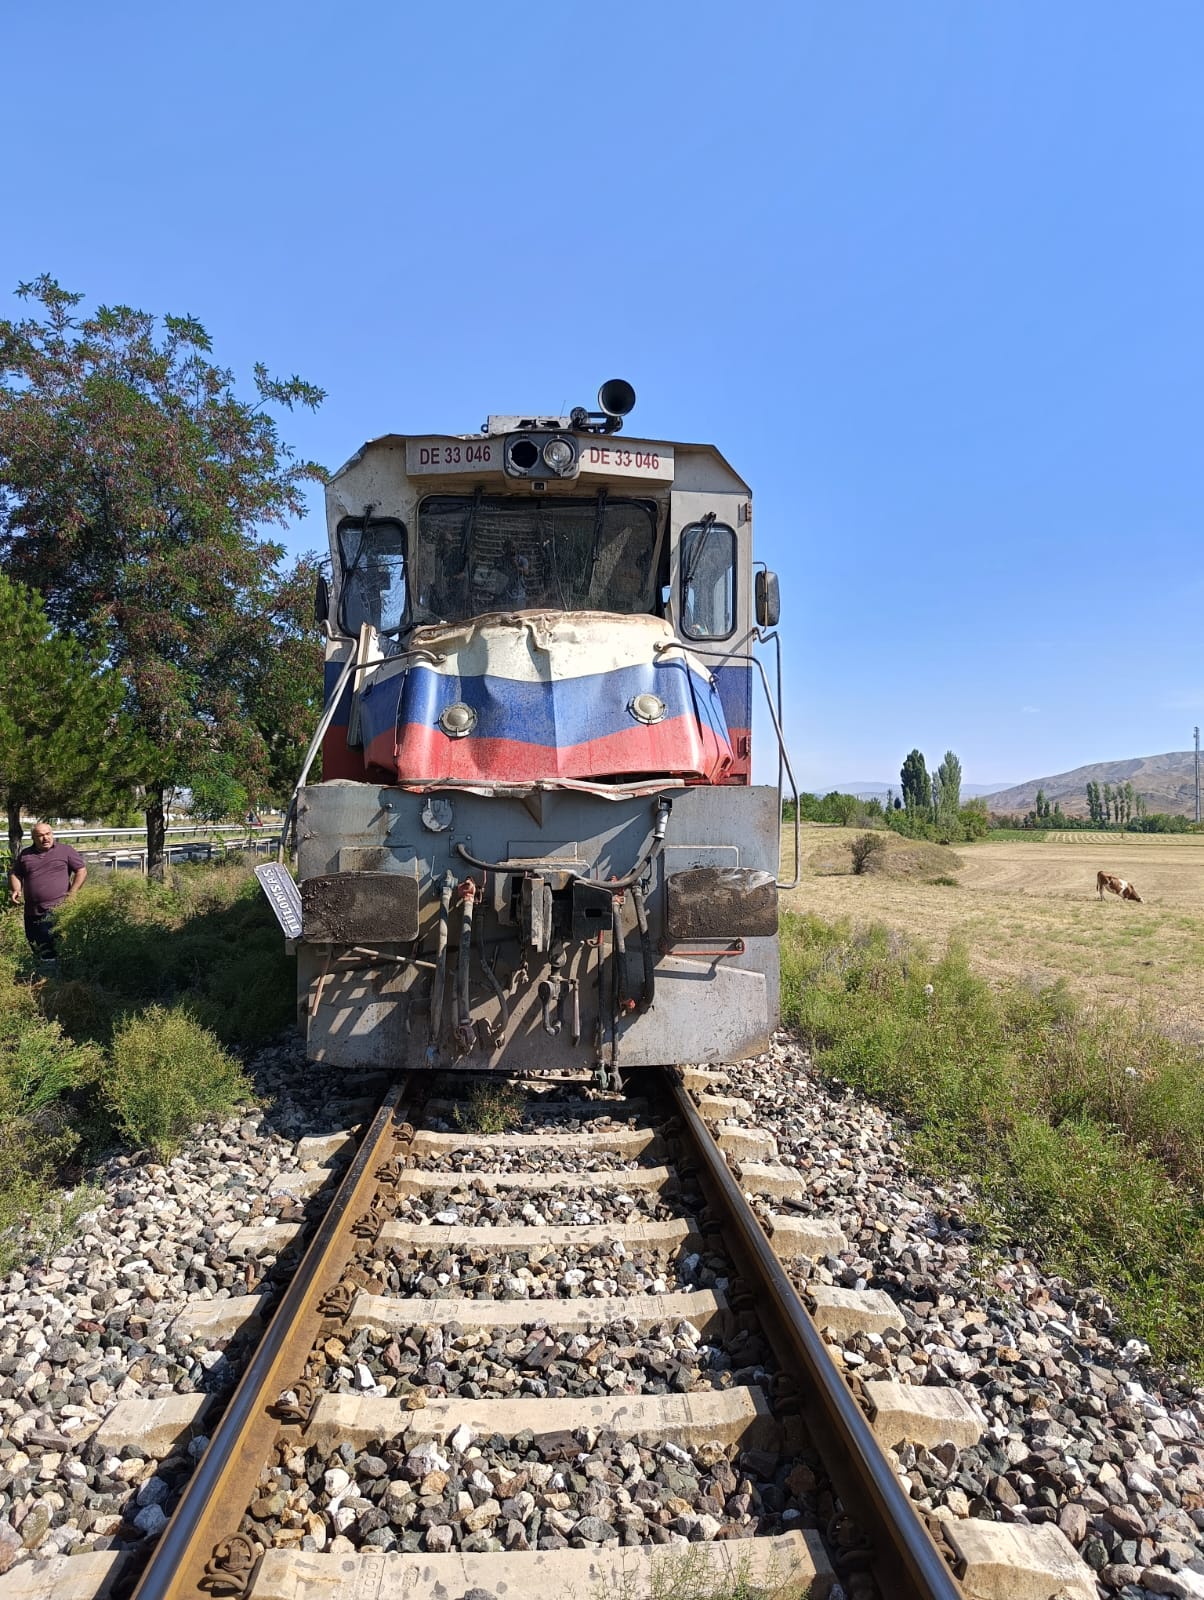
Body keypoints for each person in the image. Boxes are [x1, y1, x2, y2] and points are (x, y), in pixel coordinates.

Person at [7, 822, 87, 961]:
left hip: (56, 908)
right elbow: (15, 874)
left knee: (52, 947)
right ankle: (44, 975)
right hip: (31, 911)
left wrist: (72, 893)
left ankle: (55, 978)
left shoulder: (65, 850)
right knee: (36, 945)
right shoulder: (26, 854)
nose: (45, 838)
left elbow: (81, 870)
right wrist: (16, 889)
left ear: (52, 834)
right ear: (33, 838)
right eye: (40, 835)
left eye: (48, 834)